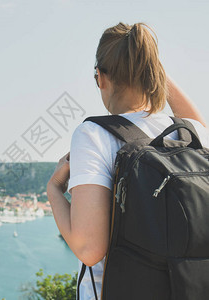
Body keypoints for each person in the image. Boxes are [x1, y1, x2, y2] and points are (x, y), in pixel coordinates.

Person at [47, 22, 209, 300]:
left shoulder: (94, 135)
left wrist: (53, 189)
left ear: (100, 77)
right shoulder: (191, 135)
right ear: (154, 73)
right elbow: (198, 124)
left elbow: (89, 249)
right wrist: (149, 66)